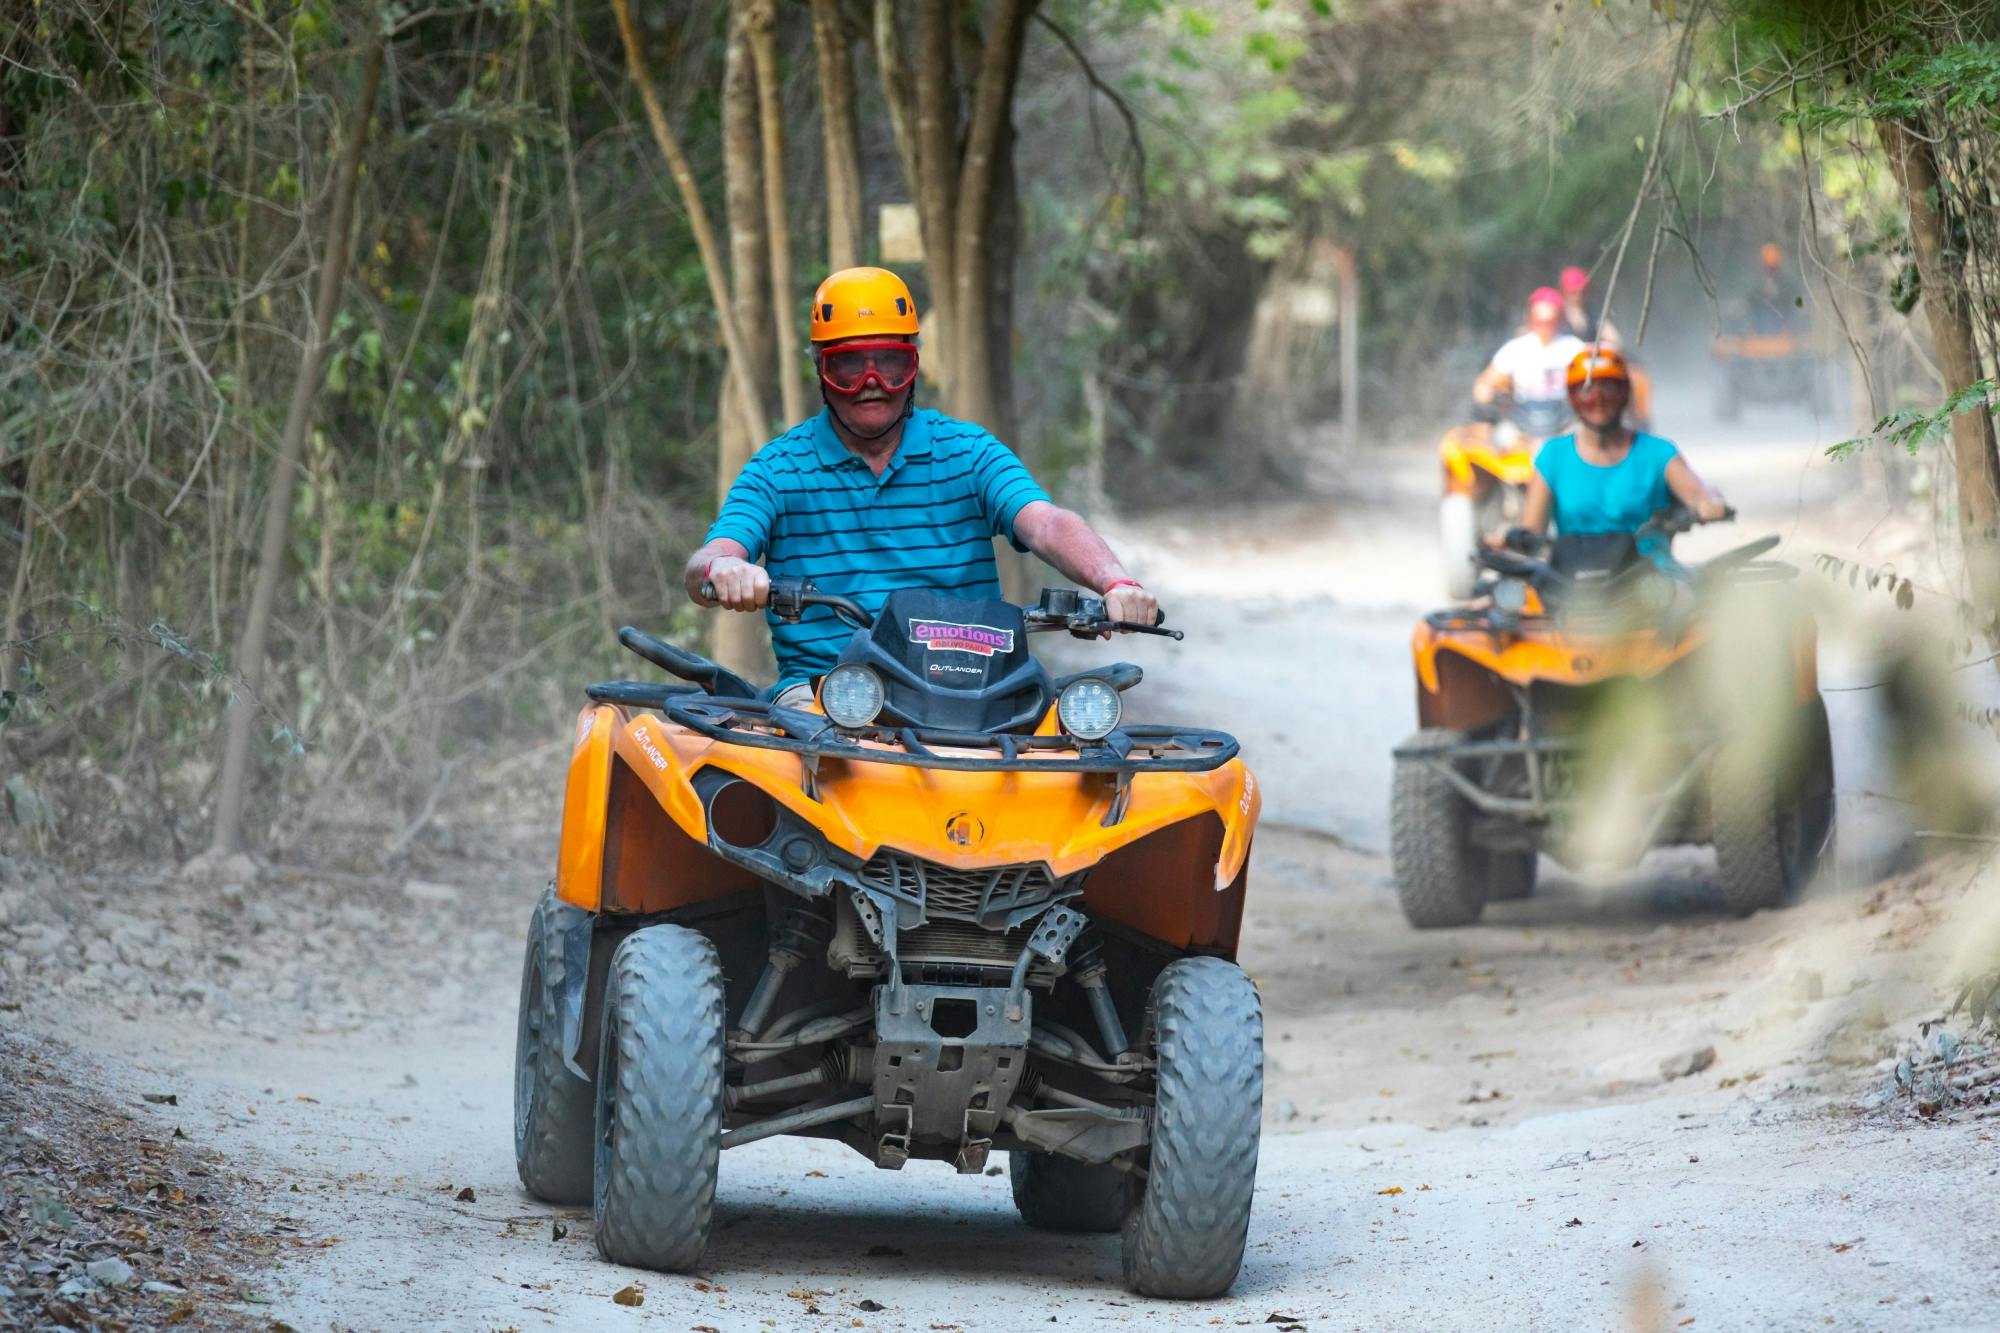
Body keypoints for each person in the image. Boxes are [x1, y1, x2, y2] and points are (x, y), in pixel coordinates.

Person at [683, 266, 1158, 708]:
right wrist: (724, 568)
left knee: (1065, 768)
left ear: (913, 369)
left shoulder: (968, 452)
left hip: (974, 691)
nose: (872, 384)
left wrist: (1115, 580)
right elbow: (708, 559)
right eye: (850, 368)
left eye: (890, 364)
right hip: (827, 698)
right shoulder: (777, 469)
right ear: (821, 371)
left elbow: (1046, 523)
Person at [1514, 346, 1726, 569]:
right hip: (1573, 585)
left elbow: (1697, 494)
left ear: (1624, 392)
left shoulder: (1657, 452)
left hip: (1649, 581)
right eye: (1587, 390)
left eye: (1608, 388)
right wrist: (1508, 540)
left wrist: (1709, 504)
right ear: (1573, 397)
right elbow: (1531, 532)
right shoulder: (1553, 456)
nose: (1598, 399)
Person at [1473, 287, 1586, 427]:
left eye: (1550, 321)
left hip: (1566, 420)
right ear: (1530, 320)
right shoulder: (1515, 348)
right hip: (1521, 421)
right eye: (1539, 321)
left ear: (1559, 320)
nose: (1544, 327)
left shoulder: (1575, 348)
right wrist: (1491, 399)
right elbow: (1485, 383)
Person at [1557, 265, 1622, 348]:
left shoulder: (1593, 314)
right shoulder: (1557, 313)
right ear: (1563, 291)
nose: (1578, 296)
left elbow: (1615, 340)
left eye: (1582, 292)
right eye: (1573, 292)